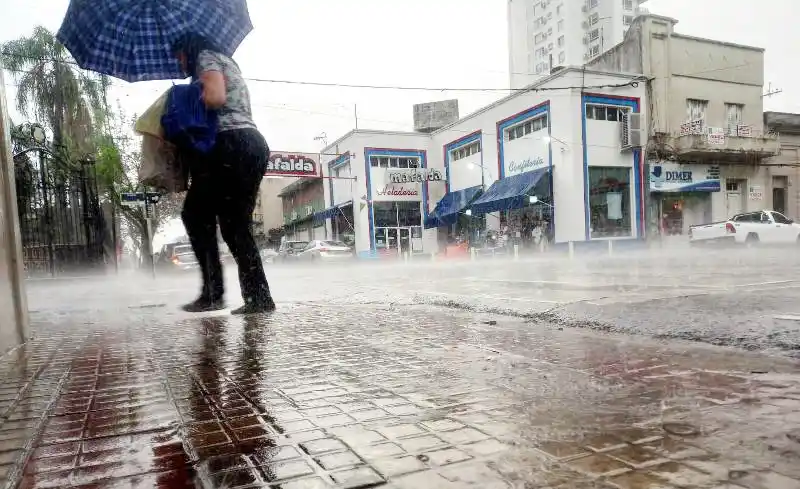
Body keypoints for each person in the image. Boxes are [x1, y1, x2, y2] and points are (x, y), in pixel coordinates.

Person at [172, 33, 274, 315]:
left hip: (229, 144)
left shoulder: (205, 58)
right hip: (252, 143)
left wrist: (185, 99)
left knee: (195, 214)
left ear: (188, 50)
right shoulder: (227, 62)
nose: (179, 62)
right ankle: (258, 297)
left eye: (179, 56)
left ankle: (213, 293)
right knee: (235, 225)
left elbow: (215, 97)